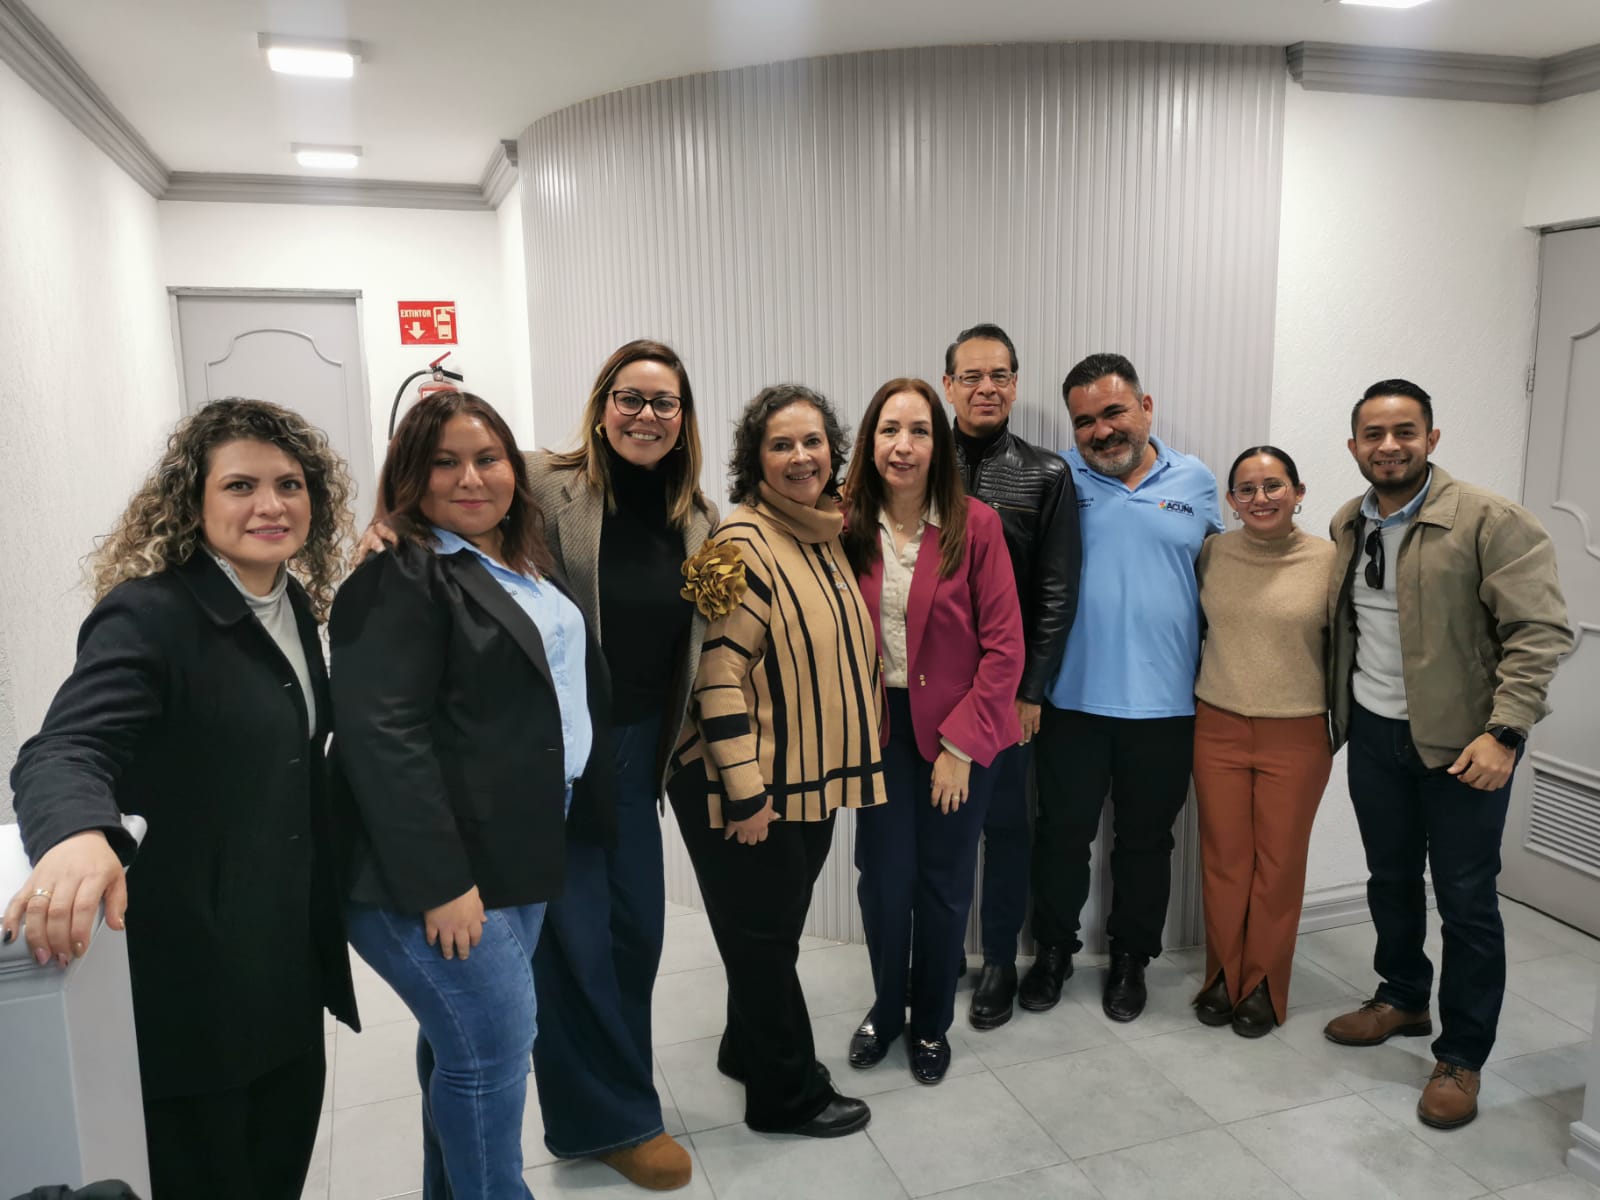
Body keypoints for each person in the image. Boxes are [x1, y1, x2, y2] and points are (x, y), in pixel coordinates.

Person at [2, 399, 360, 1198]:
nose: (270, 505)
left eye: (289, 484)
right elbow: (62, 747)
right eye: (240, 486)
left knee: (279, 1165)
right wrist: (77, 835)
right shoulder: (152, 613)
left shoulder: (292, 602)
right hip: (196, 985)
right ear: (192, 502)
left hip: (285, 964)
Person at [330, 390, 614, 1198]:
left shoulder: (517, 557)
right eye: (444, 462)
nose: (471, 478)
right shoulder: (398, 574)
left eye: (488, 458)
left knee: (463, 1044)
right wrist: (441, 883)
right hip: (433, 871)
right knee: (492, 1049)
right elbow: (383, 741)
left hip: (516, 845)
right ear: (409, 476)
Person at [1320, 379, 1572, 1130]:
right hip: (1375, 736)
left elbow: (1540, 633)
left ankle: (1462, 1055)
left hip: (1467, 746)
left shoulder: (1491, 521)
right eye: (1373, 433)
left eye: (1405, 431)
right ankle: (1402, 997)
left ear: (1431, 439)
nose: (1388, 446)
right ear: (1354, 445)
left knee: (1466, 902)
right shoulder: (1348, 522)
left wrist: (1506, 733)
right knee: (1390, 879)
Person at [667, 383, 886, 1138]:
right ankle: (786, 1096)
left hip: (804, 780)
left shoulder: (822, 534)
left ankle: (745, 1047)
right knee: (763, 944)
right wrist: (746, 794)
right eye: (781, 444)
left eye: (813, 441)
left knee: (769, 932)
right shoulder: (739, 544)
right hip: (745, 786)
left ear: (834, 452)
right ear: (754, 459)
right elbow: (715, 677)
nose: (801, 457)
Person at [523, 339, 713, 1189]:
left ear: (683, 419)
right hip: (560, 750)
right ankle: (612, 1121)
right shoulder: (541, 482)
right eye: (630, 398)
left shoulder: (697, 516)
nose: (646, 415)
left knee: (635, 933)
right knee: (576, 943)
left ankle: (613, 1102)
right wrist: (391, 521)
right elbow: (441, 489)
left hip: (640, 752)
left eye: (664, 402)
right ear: (602, 407)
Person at [841, 377, 1024, 1084]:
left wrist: (960, 747)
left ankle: (930, 1023)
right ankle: (887, 1009)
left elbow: (1005, 648)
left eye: (919, 430)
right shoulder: (842, 522)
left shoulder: (975, 525)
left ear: (938, 444)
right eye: (889, 430)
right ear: (870, 442)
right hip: (877, 731)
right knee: (884, 882)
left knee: (944, 885)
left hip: (958, 732)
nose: (904, 445)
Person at [1030, 352, 1223, 1022]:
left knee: (1146, 844)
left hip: (1167, 706)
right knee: (1061, 837)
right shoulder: (1057, 478)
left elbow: (1222, 579)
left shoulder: (1197, 481)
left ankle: (1131, 960)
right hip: (1071, 701)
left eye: (1113, 412)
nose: (1102, 430)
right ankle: (1052, 952)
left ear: (1146, 407)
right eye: (1085, 421)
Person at [941, 323, 1081, 1031]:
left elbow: (1057, 592)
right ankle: (938, 957)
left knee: (1005, 830)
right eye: (971, 376)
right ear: (949, 386)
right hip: (928, 690)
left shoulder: (1046, 475)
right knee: (939, 833)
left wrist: (1032, 691)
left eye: (999, 376)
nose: (986, 388)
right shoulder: (915, 463)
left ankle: (999, 958)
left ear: (1016, 386)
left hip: (1006, 691)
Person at [1190, 445, 1334, 1036]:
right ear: (1231, 501)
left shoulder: (1331, 560)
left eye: (1274, 486)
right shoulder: (1212, 553)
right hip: (1217, 724)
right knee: (1224, 860)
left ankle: (1265, 986)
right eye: (1246, 489)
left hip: (1297, 730)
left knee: (1279, 864)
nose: (1261, 498)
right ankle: (1223, 975)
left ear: (1298, 493)